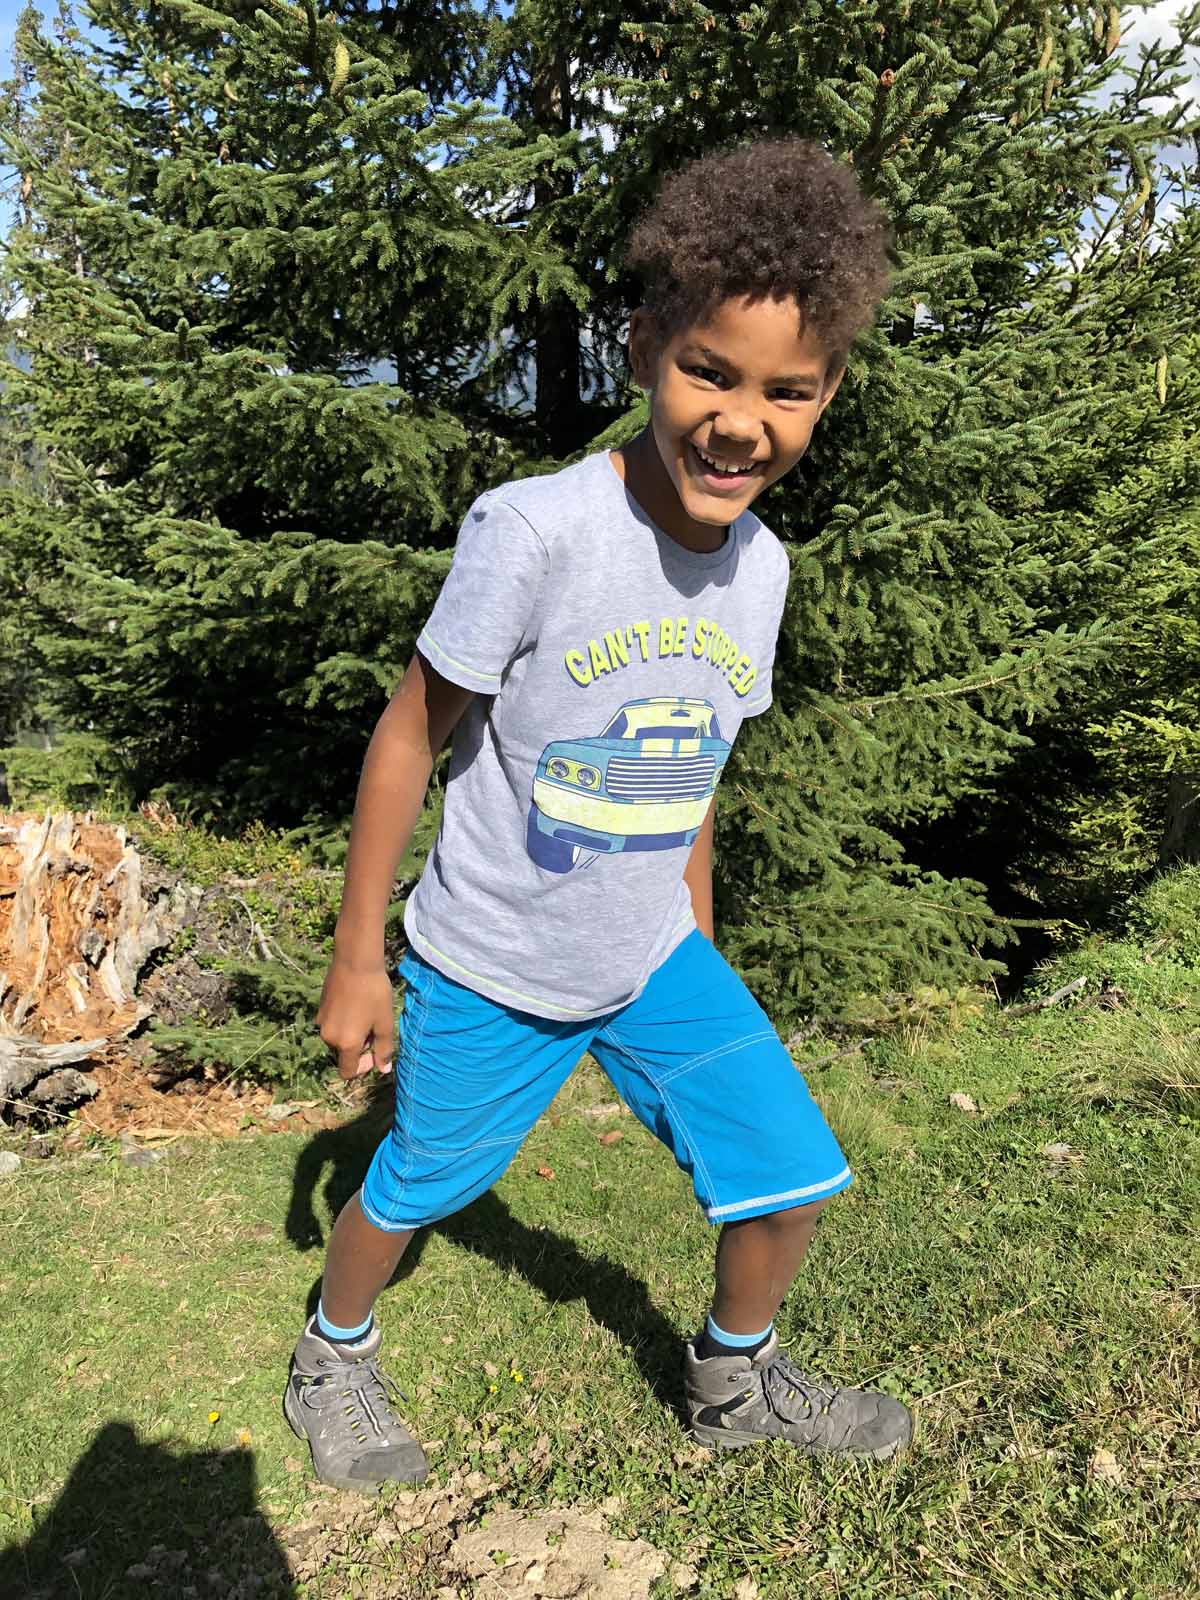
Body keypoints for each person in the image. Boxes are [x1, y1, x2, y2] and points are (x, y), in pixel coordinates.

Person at [284, 137, 913, 1493]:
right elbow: (409, 735)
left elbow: (696, 771)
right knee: (422, 1180)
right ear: (643, 352)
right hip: (491, 964)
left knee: (789, 1171)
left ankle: (732, 1383)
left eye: (787, 391)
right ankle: (333, 1350)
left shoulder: (764, 571)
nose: (740, 420)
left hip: (652, 958)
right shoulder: (534, 532)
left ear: (825, 395)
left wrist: (699, 940)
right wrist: (358, 958)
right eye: (709, 371)